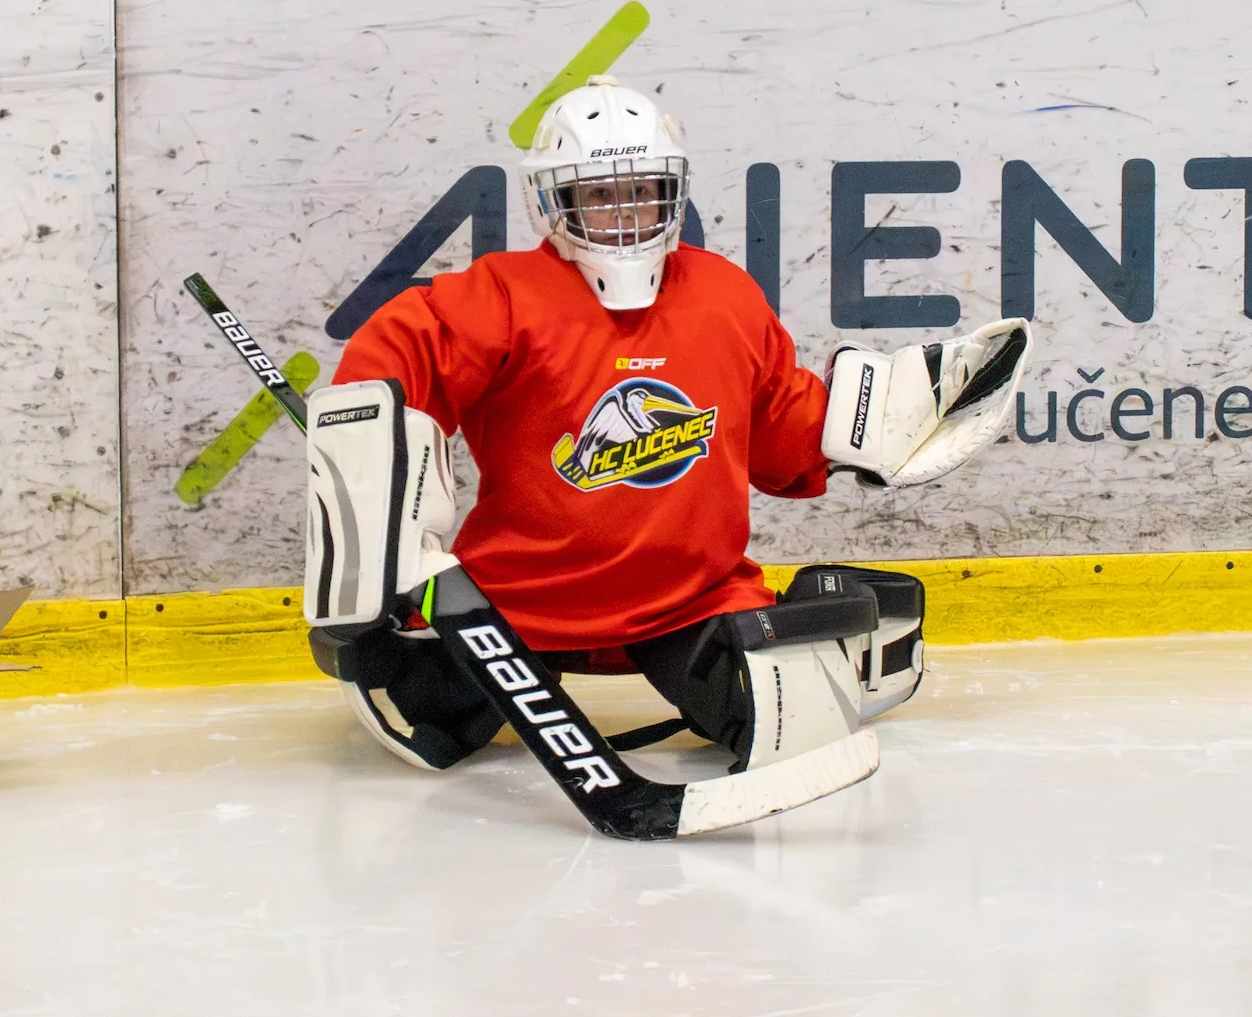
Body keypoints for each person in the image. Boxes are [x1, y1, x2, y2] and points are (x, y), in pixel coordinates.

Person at [300, 76, 1028, 780]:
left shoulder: (724, 296)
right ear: (554, 200)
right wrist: (379, 511)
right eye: (599, 194)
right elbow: (395, 363)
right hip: (515, 602)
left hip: (694, 598)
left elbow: (784, 430)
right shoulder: (501, 296)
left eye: (642, 189)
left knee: (794, 724)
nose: (624, 212)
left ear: (672, 191)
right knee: (419, 720)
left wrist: (881, 423)